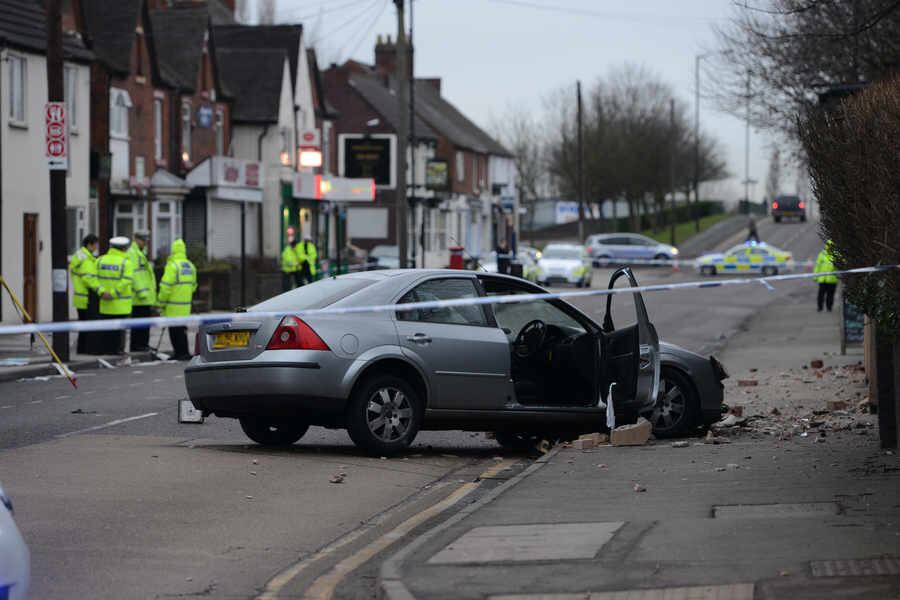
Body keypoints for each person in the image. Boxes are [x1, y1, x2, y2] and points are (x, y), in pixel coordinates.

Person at [158, 239, 197, 360]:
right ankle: (184, 352)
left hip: (172, 305)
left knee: (174, 331)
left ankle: (179, 353)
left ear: (173, 251)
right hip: (185, 305)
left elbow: (165, 287)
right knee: (182, 329)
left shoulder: (172, 266)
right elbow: (194, 285)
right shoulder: (190, 266)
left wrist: (161, 302)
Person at [95, 236, 134, 355]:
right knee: (120, 332)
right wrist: (113, 293)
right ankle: (118, 351)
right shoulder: (126, 263)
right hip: (121, 304)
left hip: (105, 303)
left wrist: (101, 291)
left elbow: (93, 278)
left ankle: (106, 350)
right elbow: (126, 281)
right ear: (124, 248)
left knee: (107, 330)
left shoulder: (100, 260)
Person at [69, 234, 99, 354]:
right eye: (95, 244)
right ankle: (85, 350)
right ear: (89, 245)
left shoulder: (80, 256)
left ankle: (82, 349)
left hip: (80, 296)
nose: (96, 247)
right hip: (86, 296)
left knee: (83, 325)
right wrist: (99, 289)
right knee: (87, 325)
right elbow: (88, 278)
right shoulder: (85, 259)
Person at [128, 231, 156, 352]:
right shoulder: (133, 253)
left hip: (145, 297)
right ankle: (138, 346)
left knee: (145, 324)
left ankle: (143, 345)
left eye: (146, 241)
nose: (145, 243)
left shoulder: (140, 253)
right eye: (143, 240)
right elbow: (134, 274)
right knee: (139, 325)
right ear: (136, 240)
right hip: (138, 297)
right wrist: (141, 292)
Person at [814, 240, 838, 312]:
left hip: (832, 279)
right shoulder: (821, 255)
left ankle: (829, 308)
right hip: (823, 279)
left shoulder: (836, 255)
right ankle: (820, 307)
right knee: (821, 295)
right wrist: (815, 276)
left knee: (830, 295)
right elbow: (817, 266)